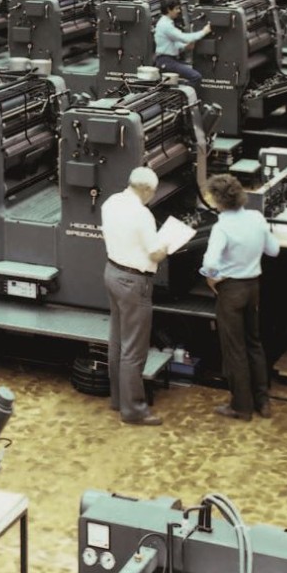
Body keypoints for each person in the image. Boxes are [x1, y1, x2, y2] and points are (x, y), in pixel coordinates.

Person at [201, 174, 281, 421]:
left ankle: (241, 407)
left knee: (235, 350)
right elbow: (274, 250)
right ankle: (263, 402)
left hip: (231, 291)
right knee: (254, 344)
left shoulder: (221, 227)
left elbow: (210, 263)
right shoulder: (257, 218)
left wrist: (211, 277)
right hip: (253, 288)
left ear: (217, 201)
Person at [100, 167, 171, 426]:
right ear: (146, 190)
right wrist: (169, 245)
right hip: (134, 282)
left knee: (117, 340)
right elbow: (154, 254)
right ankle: (134, 410)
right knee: (134, 348)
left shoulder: (110, 202)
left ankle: (118, 399)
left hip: (112, 273)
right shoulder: (143, 215)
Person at [153, 0, 209, 89]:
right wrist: (204, 31)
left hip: (169, 60)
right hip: (167, 61)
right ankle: (183, 97)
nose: (179, 11)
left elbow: (171, 43)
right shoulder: (165, 25)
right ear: (168, 9)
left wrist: (184, 47)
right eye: (176, 9)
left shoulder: (166, 23)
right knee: (196, 77)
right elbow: (184, 38)